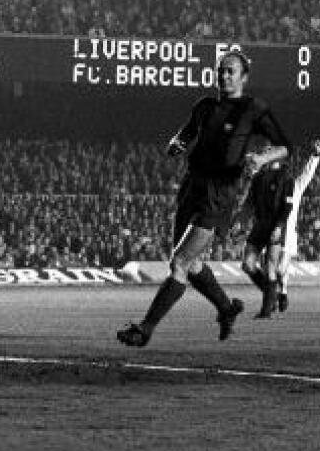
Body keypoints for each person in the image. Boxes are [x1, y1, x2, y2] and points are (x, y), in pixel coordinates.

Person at [117, 49, 291, 347]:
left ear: (244, 77)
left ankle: (145, 330)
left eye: (230, 71)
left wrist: (261, 159)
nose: (224, 75)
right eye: (221, 70)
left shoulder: (253, 108)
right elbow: (185, 134)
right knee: (193, 264)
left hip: (219, 193)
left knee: (180, 262)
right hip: (192, 187)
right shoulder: (204, 106)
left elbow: (285, 146)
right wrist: (176, 143)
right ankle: (227, 308)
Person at [237, 139, 296, 319]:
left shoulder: (286, 177)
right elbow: (249, 203)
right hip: (259, 225)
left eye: (268, 150)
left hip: (275, 225)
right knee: (247, 264)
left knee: (271, 266)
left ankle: (266, 311)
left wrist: (279, 226)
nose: (264, 153)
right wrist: (241, 223)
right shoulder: (259, 177)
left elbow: (287, 206)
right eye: (263, 150)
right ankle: (273, 294)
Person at [274, 138, 320, 313]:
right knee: (270, 268)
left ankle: (283, 292)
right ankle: (274, 296)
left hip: (287, 235)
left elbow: (307, 174)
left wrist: (315, 156)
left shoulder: (295, 187)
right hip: (271, 232)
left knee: (280, 269)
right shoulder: (271, 189)